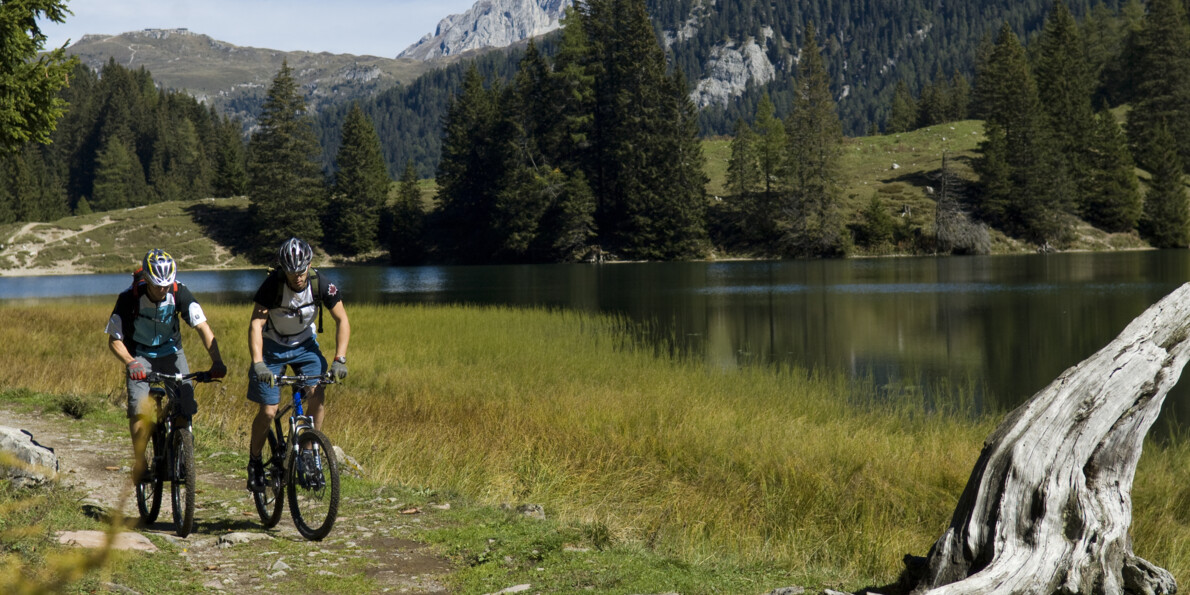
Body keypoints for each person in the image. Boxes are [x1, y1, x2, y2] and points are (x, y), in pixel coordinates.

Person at [106, 249, 226, 484]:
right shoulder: (129, 298)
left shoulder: (179, 292)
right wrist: (131, 362)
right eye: (157, 285)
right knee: (139, 408)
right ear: (147, 280)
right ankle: (140, 462)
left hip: (171, 352)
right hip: (139, 354)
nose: (163, 290)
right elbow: (114, 340)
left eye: (167, 285)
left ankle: (180, 455)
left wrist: (217, 361)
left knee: (185, 405)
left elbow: (202, 326)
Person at [246, 237, 350, 492]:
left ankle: (308, 451)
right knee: (269, 411)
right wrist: (258, 363)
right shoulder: (272, 285)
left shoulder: (320, 284)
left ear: (309, 265)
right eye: (292, 273)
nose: (298, 277)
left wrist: (339, 359)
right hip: (272, 348)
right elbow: (256, 324)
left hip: (305, 346)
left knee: (317, 393)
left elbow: (342, 320)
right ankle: (255, 461)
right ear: (283, 269)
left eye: (301, 271)